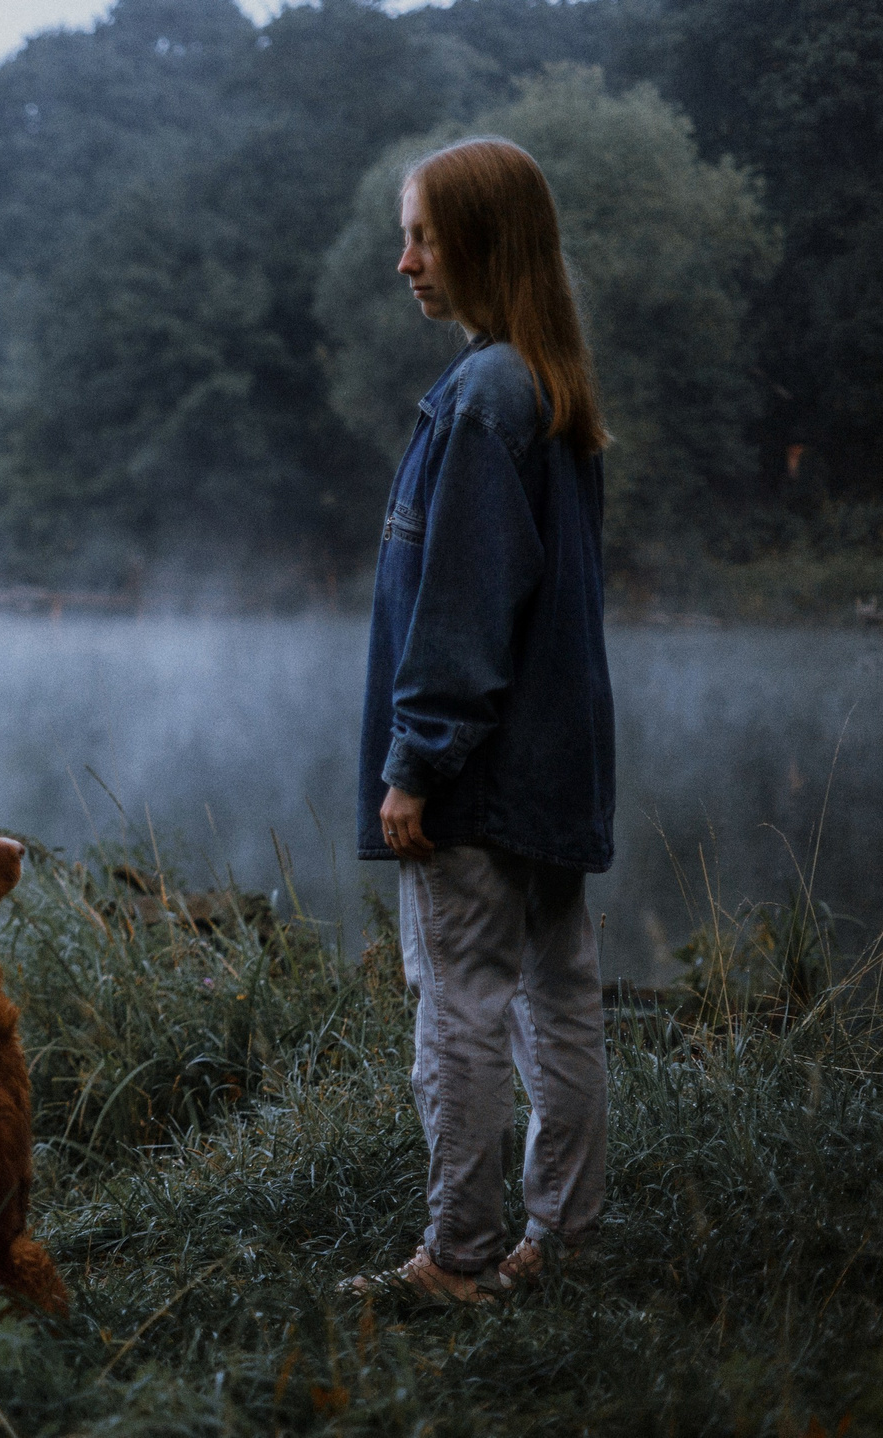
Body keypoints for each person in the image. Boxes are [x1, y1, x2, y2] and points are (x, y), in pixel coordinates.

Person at [345, 137, 615, 1304]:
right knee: (559, 999)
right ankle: (564, 1237)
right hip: (552, 771)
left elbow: (459, 607)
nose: (404, 261)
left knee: (457, 1005)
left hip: (478, 775)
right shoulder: (546, 383)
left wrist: (414, 763)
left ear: (481, 243)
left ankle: (455, 1257)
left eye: (422, 235)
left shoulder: (481, 396)